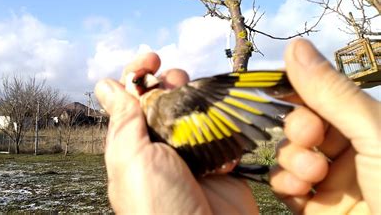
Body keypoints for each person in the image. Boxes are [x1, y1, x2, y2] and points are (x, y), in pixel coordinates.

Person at [95, 38, 380, 214]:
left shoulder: (159, 106)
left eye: (147, 76)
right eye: (138, 80)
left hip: (203, 170)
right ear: (130, 91)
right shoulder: (157, 106)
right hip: (197, 166)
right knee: (199, 90)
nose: (148, 79)